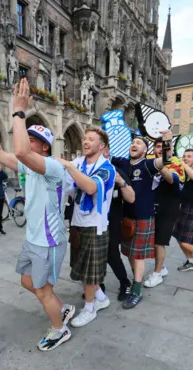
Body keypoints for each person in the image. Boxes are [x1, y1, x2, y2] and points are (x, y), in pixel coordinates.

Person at [0, 83, 75, 350]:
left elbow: (22, 151)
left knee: (42, 290)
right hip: (33, 239)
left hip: (48, 242)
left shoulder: (52, 167)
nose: (23, 141)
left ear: (45, 148)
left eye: (31, 138)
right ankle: (62, 309)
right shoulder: (28, 168)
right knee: (28, 281)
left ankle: (59, 329)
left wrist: (18, 110)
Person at [59, 127, 115, 325]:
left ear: (101, 146)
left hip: (95, 225)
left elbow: (91, 187)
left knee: (91, 272)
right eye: (84, 138)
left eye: (91, 139)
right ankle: (101, 298)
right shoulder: (79, 163)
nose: (85, 141)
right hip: (77, 222)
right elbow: (65, 181)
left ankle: (90, 308)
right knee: (82, 267)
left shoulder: (107, 168)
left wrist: (68, 166)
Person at [111, 134, 168, 308]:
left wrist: (167, 140)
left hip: (143, 216)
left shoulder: (148, 164)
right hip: (125, 216)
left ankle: (136, 289)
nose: (134, 144)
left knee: (137, 254)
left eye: (139, 143)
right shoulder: (123, 163)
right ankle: (138, 276)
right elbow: (104, 154)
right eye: (133, 142)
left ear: (145, 150)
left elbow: (165, 160)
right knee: (128, 252)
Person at [144, 138, 184, 288]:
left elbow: (171, 179)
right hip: (153, 209)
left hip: (169, 209)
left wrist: (160, 166)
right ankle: (162, 267)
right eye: (157, 147)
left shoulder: (176, 164)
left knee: (159, 242)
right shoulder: (150, 163)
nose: (160, 149)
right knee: (155, 243)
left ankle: (157, 273)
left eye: (163, 147)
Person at [98, 146, 135, 301]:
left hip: (112, 218)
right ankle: (97, 285)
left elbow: (131, 197)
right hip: (91, 220)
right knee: (94, 253)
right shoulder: (85, 168)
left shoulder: (116, 171)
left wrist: (120, 182)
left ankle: (125, 282)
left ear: (106, 151)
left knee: (111, 253)